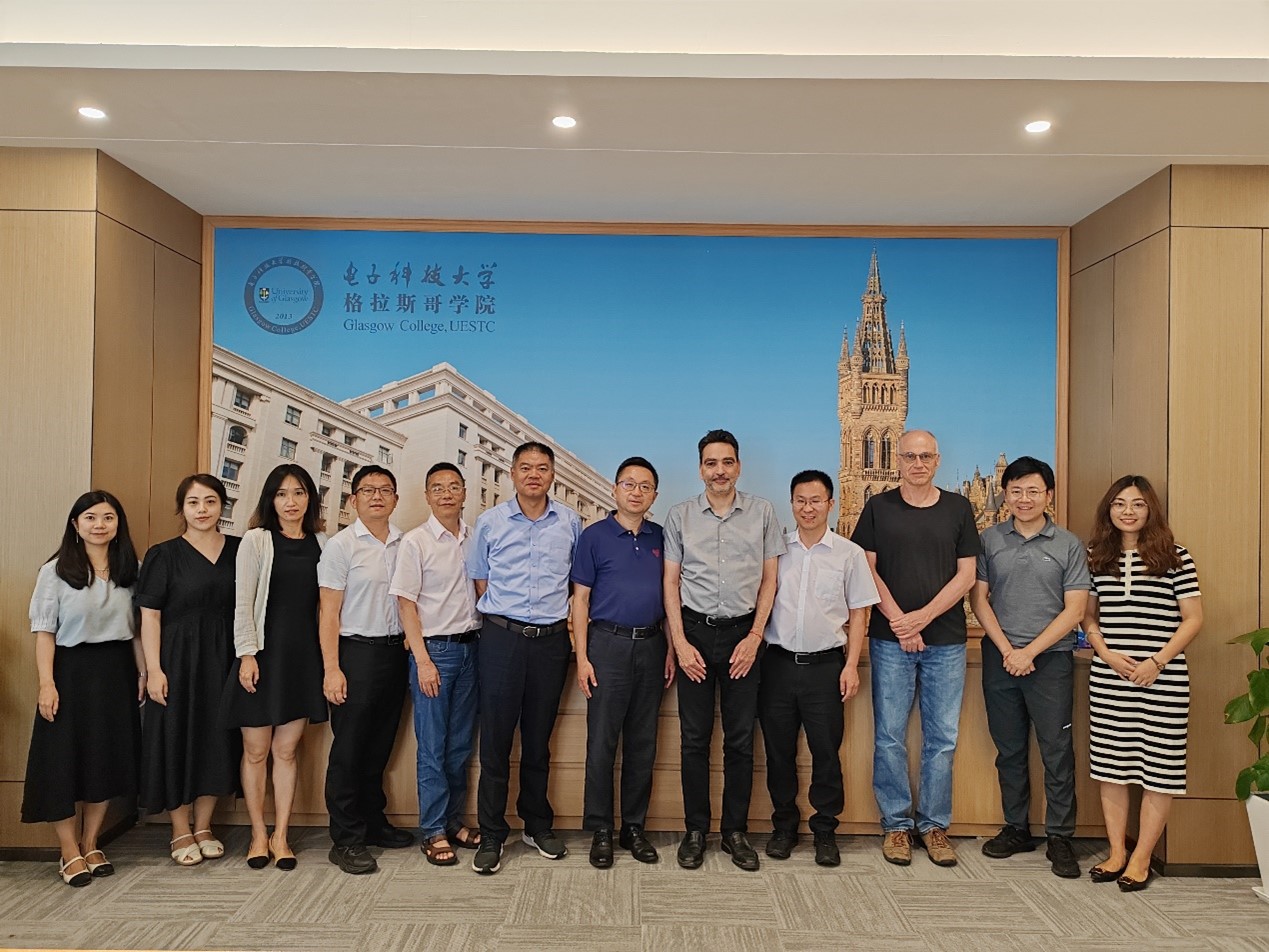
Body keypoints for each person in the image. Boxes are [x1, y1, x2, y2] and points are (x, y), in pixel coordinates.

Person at [851, 429, 980, 868]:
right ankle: (896, 826)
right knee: (889, 736)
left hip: (946, 641)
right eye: (910, 456)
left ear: (937, 460)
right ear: (900, 461)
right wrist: (900, 623)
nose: (918, 463)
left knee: (942, 738)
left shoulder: (958, 508)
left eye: (925, 456)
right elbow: (866, 570)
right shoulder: (877, 507)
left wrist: (921, 618)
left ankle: (933, 825)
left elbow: (966, 576)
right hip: (890, 641)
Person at [664, 429, 785, 871]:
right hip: (694, 635)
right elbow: (670, 583)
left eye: (727, 462)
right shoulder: (679, 516)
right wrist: (680, 643)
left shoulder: (763, 512)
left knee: (739, 741)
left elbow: (770, 580)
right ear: (700, 469)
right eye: (711, 463)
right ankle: (695, 830)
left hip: (743, 638)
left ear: (739, 466)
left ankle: (735, 832)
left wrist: (755, 636)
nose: (720, 471)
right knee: (694, 740)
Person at [968, 457, 1089, 878]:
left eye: (1033, 491)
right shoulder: (988, 539)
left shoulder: (1068, 544)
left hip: (1051, 660)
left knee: (1057, 751)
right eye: (1016, 491)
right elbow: (979, 600)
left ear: (1048, 495)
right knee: (1009, 749)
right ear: (1005, 494)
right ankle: (1016, 828)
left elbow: (1075, 610)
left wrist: (1030, 652)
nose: (1024, 499)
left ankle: (1060, 836)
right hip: (1000, 658)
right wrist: (1008, 651)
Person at [466, 441, 582, 875]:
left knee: (538, 740)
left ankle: (536, 825)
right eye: (526, 467)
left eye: (543, 468)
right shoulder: (490, 522)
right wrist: (507, 619)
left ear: (552, 475)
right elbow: (480, 579)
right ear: (512, 473)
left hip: (551, 643)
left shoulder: (570, 522)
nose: (534, 474)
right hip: (502, 639)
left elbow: (576, 583)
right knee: (495, 740)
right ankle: (492, 833)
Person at [1083, 475, 1202, 892]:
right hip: (1110, 678)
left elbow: (1193, 619)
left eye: (1137, 504)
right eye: (1119, 503)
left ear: (1151, 509)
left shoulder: (1175, 556)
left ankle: (1142, 857)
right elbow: (1088, 616)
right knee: (1111, 769)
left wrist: (1157, 661)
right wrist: (1106, 653)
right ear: (1109, 509)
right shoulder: (1095, 556)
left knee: (1160, 771)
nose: (1128, 511)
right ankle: (1117, 851)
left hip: (1163, 680)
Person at [21, 490, 143, 887]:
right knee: (63, 761)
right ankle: (68, 850)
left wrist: (143, 673)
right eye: (90, 518)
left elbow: (138, 631)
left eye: (108, 517)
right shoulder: (55, 571)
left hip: (116, 672)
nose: (99, 525)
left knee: (103, 759)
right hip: (69, 672)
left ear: (118, 524)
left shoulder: (132, 569)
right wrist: (46, 683)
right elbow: (44, 632)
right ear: (76, 524)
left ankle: (91, 843)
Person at [759, 470, 879, 867]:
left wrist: (851, 665)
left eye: (815, 501)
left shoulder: (849, 553)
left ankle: (825, 830)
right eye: (800, 501)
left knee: (826, 752)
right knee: (778, 752)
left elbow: (859, 614)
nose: (807, 508)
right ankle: (784, 827)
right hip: (777, 665)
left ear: (831, 503)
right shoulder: (776, 550)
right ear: (791, 503)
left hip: (826, 667)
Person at [221, 463, 328, 870]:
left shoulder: (322, 543)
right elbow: (243, 601)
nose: (290, 502)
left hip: (302, 661)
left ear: (309, 498)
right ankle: (257, 833)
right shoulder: (257, 540)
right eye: (282, 494)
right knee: (255, 751)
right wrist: (247, 655)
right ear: (271, 499)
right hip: (262, 657)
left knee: (286, 751)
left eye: (298, 492)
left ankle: (281, 835)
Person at [572, 457, 672, 869]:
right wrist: (582, 657)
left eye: (645, 486)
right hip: (607, 647)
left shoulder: (661, 537)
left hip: (651, 646)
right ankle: (600, 830)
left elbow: (671, 596)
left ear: (654, 495)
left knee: (642, 743)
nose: (636, 492)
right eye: (628, 484)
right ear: (615, 490)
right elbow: (580, 600)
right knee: (602, 742)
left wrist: (670, 648)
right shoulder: (593, 536)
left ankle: (633, 827)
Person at [137, 475, 242, 868]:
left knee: (217, 737)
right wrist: (154, 669)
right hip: (177, 658)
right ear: (181, 508)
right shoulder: (163, 555)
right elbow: (149, 617)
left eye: (210, 501)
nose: (202, 510)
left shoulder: (240, 549)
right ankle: (179, 828)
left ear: (222, 505)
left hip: (226, 657)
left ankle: (204, 826)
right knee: (175, 736)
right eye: (194, 502)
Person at [318, 464, 414, 875]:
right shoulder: (341, 546)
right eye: (368, 490)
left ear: (396, 499)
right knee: (349, 751)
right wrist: (332, 668)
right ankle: (346, 839)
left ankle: (374, 823)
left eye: (385, 490)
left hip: (395, 655)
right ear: (353, 499)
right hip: (355, 654)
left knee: (379, 747)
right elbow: (328, 613)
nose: (377, 496)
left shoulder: (405, 543)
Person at [392, 462, 482, 867]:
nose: (446, 494)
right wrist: (423, 660)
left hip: (472, 650)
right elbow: (405, 604)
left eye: (453, 486)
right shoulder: (416, 542)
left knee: (460, 746)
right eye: (437, 488)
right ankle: (432, 830)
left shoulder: (475, 538)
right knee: (432, 747)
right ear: (427, 496)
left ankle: (453, 821)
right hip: (435, 654)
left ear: (465, 493)